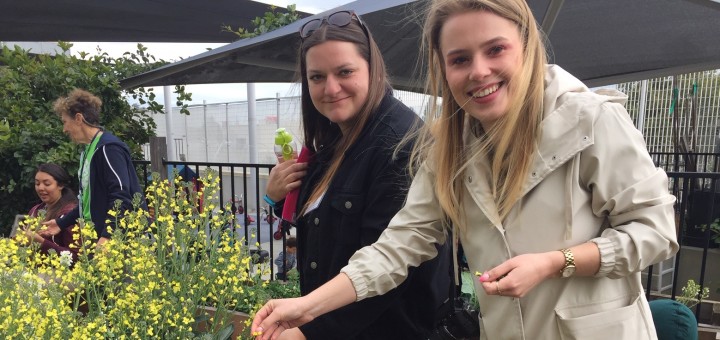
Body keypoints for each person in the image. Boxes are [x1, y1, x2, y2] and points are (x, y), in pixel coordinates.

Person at [251, 1, 679, 339]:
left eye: (495, 49)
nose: (479, 71)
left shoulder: (590, 119)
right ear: (442, 66)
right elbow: (397, 246)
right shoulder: (445, 146)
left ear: (526, 46)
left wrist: (557, 262)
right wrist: (306, 308)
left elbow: (657, 232)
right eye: (459, 59)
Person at [261, 9, 451, 340]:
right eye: (317, 77)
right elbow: (322, 227)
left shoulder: (398, 144)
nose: (330, 88)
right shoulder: (335, 138)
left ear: (373, 69)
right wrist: (276, 198)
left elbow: (391, 266)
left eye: (345, 71)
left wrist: (309, 331)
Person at [39, 89, 145, 246]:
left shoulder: (109, 148)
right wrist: (62, 223)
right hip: (98, 235)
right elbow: (87, 202)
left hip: (121, 239)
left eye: (64, 122)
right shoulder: (88, 150)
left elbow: (121, 196)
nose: (64, 129)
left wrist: (108, 235)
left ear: (78, 118)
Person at [22, 163, 80, 264]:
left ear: (60, 185)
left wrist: (42, 243)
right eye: (37, 183)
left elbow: (75, 258)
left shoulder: (70, 215)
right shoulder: (35, 210)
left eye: (47, 184)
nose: (40, 188)